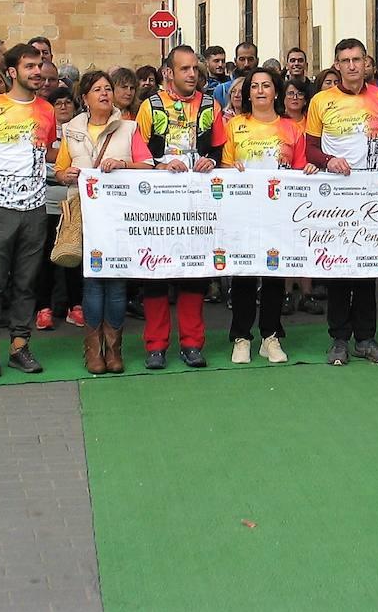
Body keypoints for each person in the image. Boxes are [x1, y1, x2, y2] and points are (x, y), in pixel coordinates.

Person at [305, 39, 378, 366]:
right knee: (338, 269)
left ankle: (367, 339)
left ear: (366, 63)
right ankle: (338, 340)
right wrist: (329, 160)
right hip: (335, 198)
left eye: (357, 59)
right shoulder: (320, 101)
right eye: (345, 60)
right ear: (336, 64)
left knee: (366, 268)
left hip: (371, 195)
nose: (351, 66)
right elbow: (311, 150)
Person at [0, 44, 56, 378]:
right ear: (13, 72)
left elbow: (44, 154)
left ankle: (19, 345)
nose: (37, 72)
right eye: (30, 66)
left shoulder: (46, 110)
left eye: (40, 65)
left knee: (27, 281)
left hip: (34, 207)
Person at [55, 71, 155, 374]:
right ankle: (93, 348)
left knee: (116, 284)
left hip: (119, 216)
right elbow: (60, 168)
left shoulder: (129, 128)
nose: (104, 93)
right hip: (86, 214)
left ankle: (114, 348)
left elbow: (148, 164)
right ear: (84, 97)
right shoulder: (71, 129)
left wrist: (122, 164)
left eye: (107, 88)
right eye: (97, 89)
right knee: (93, 283)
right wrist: (65, 174)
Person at [134, 45, 226, 369]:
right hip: (159, 206)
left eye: (194, 69)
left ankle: (191, 344)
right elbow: (139, 156)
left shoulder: (211, 105)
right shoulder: (150, 106)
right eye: (185, 69)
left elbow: (221, 151)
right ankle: (156, 345)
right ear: (168, 73)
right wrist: (158, 167)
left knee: (194, 275)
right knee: (155, 274)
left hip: (197, 205)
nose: (191, 75)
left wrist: (210, 162)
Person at [221, 66, 318, 364]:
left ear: (276, 91)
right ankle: (241, 337)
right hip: (243, 211)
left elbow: (301, 169)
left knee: (275, 274)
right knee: (245, 275)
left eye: (266, 85)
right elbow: (223, 166)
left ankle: (270, 336)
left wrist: (310, 170)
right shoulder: (233, 126)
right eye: (254, 86)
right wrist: (229, 169)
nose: (260, 90)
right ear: (247, 93)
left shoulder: (292, 128)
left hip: (280, 212)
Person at [35, 85, 82, 332]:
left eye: (67, 102)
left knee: (74, 254)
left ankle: (76, 306)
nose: (63, 107)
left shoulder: (79, 131)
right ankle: (44, 308)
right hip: (46, 199)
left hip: (73, 199)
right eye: (58, 103)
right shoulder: (43, 130)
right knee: (46, 258)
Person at [213, 42, 257, 109]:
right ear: (235, 61)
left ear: (257, 61)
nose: (246, 64)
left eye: (250, 59)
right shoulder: (222, 90)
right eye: (242, 59)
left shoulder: (263, 89)